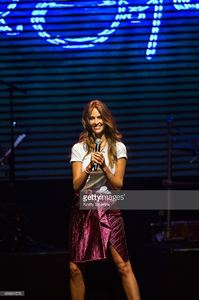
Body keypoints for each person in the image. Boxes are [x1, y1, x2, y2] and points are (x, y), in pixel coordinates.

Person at [69, 100, 141, 300]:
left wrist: (104, 167)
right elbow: (76, 185)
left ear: (106, 118)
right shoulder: (79, 148)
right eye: (91, 118)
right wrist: (89, 165)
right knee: (75, 268)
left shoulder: (119, 147)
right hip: (84, 206)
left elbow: (118, 184)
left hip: (108, 204)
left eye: (99, 117)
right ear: (87, 121)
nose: (96, 121)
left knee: (123, 265)